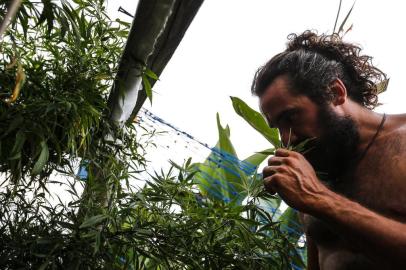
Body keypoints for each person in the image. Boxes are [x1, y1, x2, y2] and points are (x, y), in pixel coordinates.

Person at [252, 30, 406, 269]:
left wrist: (319, 199)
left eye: (291, 117)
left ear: (335, 93)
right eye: (277, 127)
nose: (286, 139)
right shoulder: (315, 170)